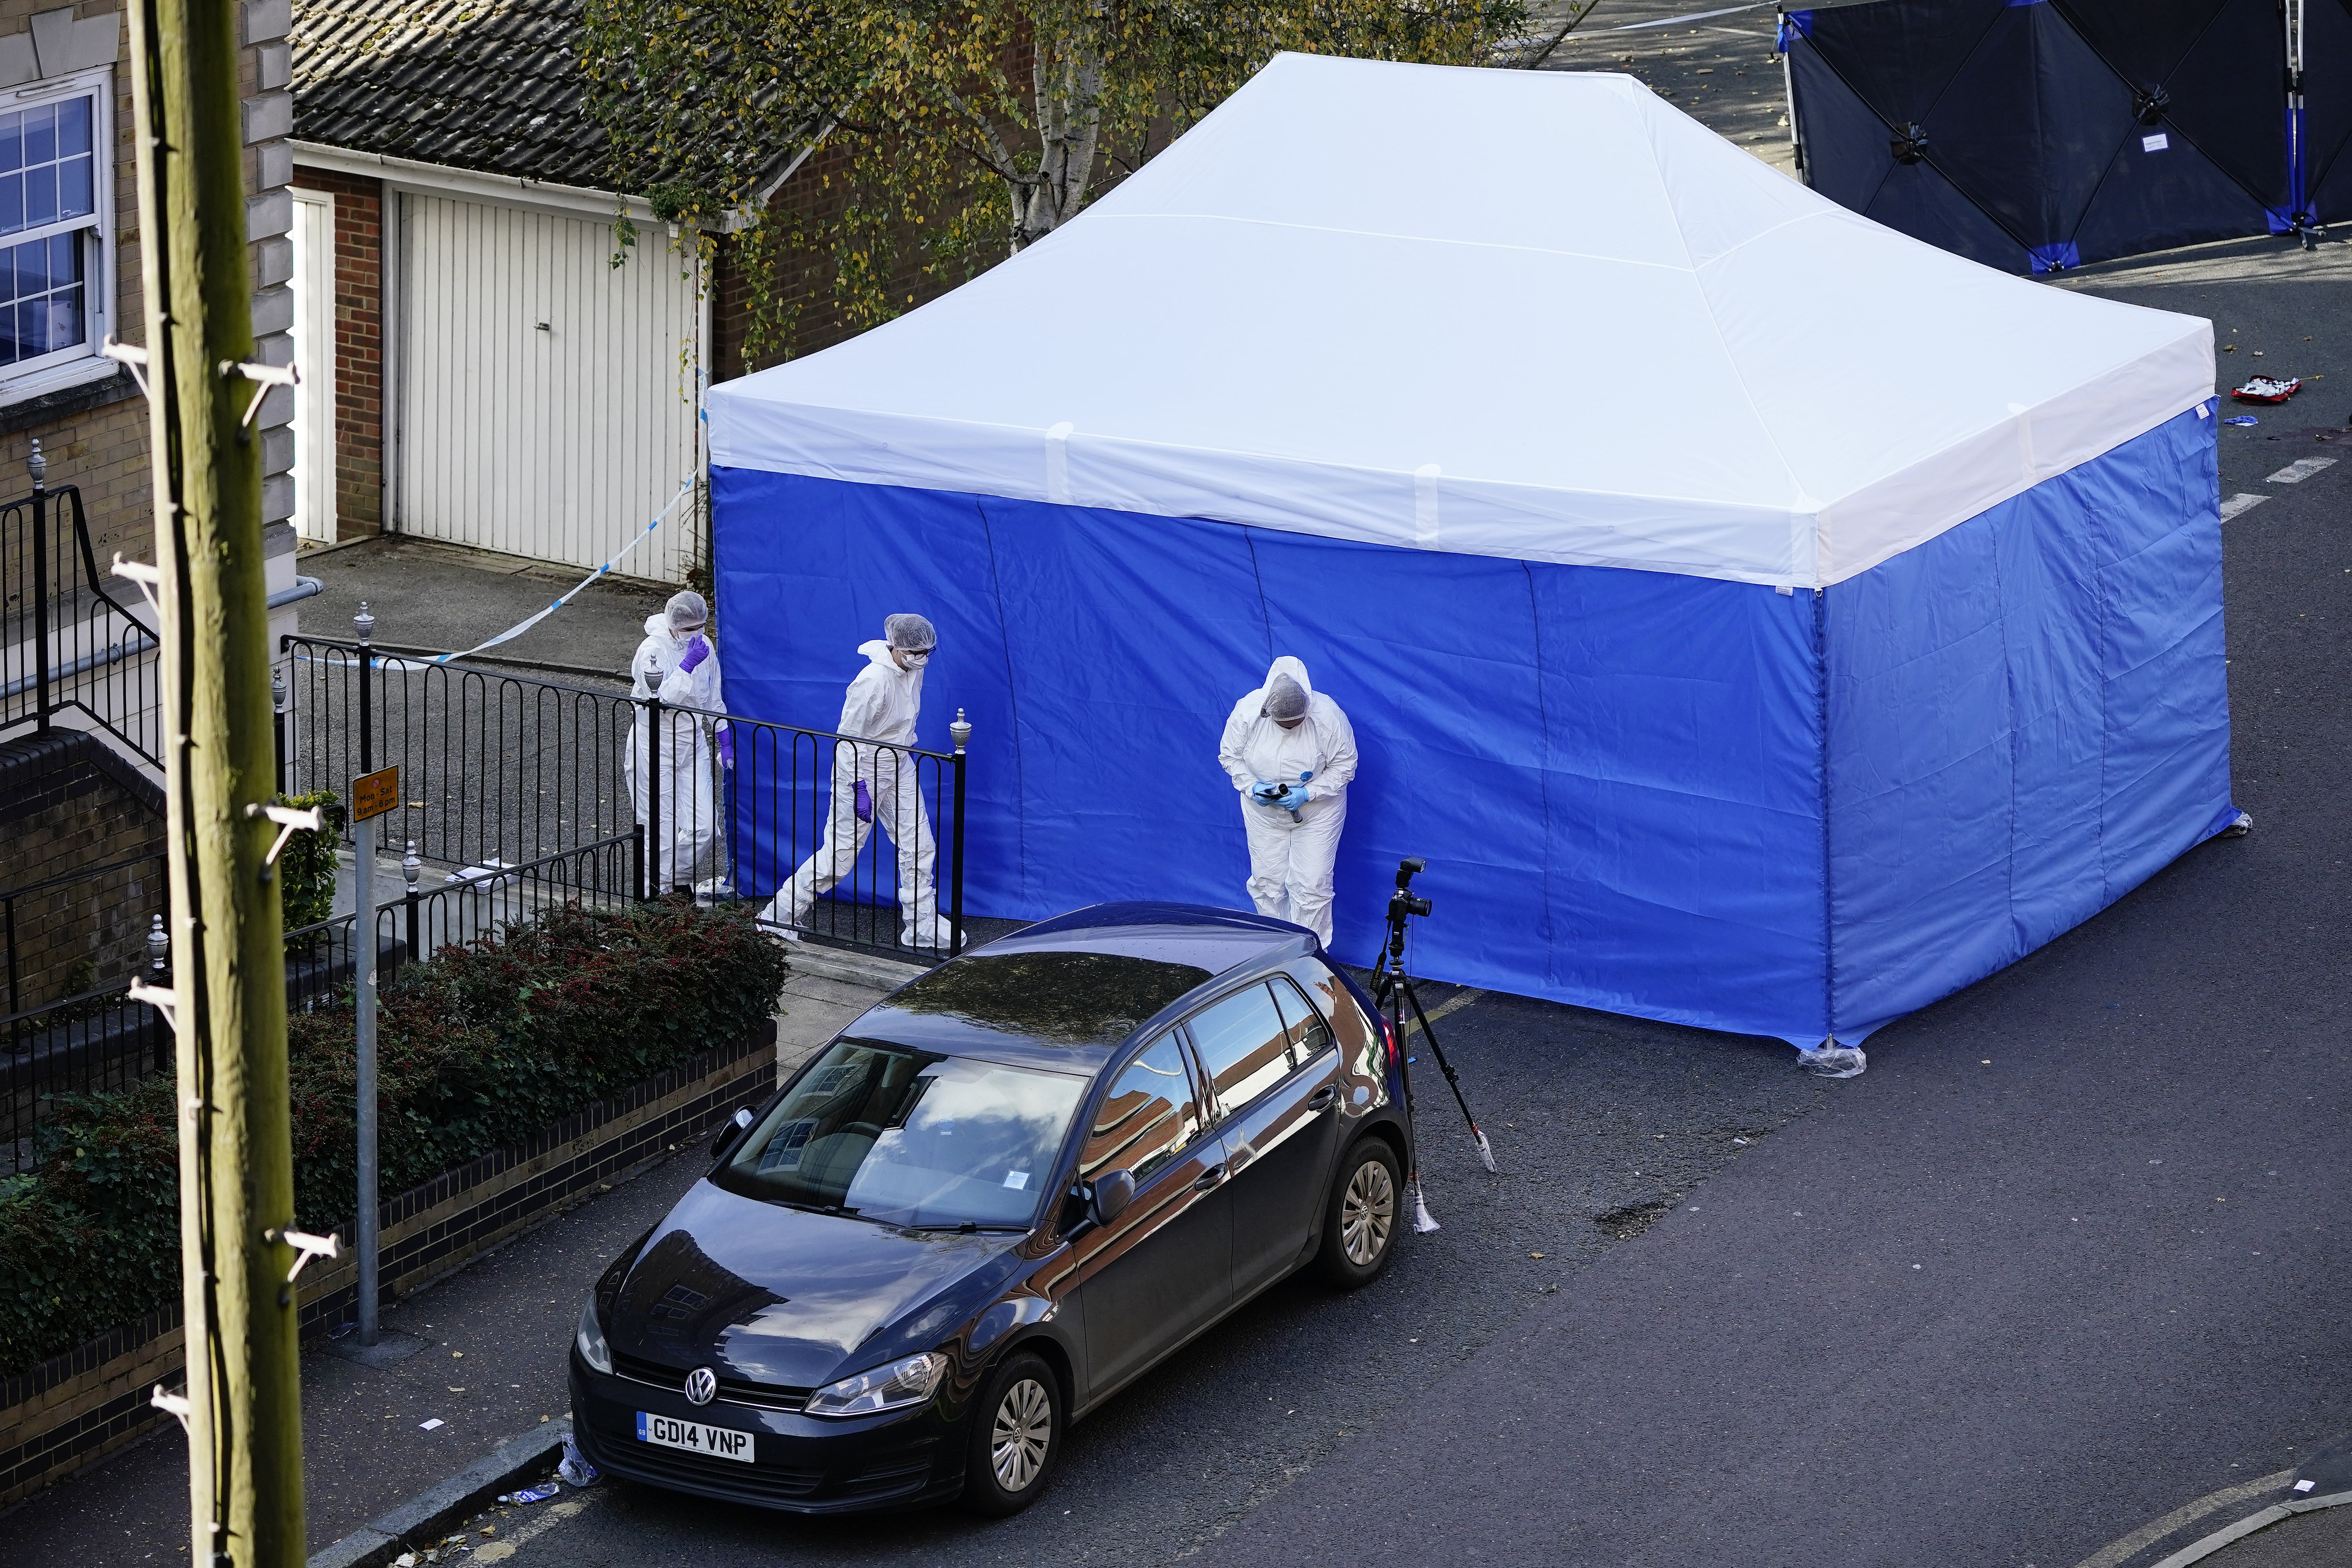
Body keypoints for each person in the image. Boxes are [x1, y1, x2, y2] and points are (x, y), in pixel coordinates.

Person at [761, 614, 942, 946]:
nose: (923, 658)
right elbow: (848, 740)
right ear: (896, 646)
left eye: (928, 651)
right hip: (861, 771)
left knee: (919, 846)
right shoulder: (872, 681)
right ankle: (778, 915)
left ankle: (922, 925)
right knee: (839, 857)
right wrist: (859, 787)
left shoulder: (913, 669)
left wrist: (903, 751)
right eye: (916, 652)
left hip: (899, 763)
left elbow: (903, 717)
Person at [1218, 655, 1358, 946]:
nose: (1292, 728)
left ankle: (1311, 955)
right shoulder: (1247, 713)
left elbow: (1345, 765)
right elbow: (1229, 757)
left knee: (1311, 885)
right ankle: (1273, 950)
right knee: (1267, 882)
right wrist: (1253, 786)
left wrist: (1308, 793)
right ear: (1268, 713)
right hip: (1263, 811)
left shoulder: (1328, 716)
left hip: (1319, 811)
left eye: (1297, 723)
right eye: (1286, 725)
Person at [627, 589, 732, 896]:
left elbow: (712, 696)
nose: (696, 633)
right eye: (689, 628)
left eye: (701, 626)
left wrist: (722, 734)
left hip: (692, 740)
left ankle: (673, 879)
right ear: (673, 624)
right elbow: (658, 700)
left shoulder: (704, 646)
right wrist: (686, 665)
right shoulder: (652, 650)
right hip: (654, 742)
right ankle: (655, 894)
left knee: (705, 828)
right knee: (657, 827)